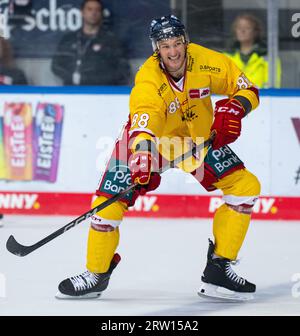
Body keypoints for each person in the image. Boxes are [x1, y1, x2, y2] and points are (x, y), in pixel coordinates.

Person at [56, 15, 261, 301]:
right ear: (156, 48)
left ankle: (218, 270)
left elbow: (248, 88)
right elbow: (144, 120)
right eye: (165, 45)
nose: (173, 51)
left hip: (196, 139)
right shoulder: (148, 77)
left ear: (185, 41)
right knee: (107, 204)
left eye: (177, 43)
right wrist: (142, 156)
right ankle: (95, 274)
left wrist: (236, 108)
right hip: (150, 140)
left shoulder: (207, 61)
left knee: (244, 187)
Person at [51, 0, 130, 86]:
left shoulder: (111, 41)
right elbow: (56, 65)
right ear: (82, 12)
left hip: (103, 93)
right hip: (73, 92)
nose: (93, 13)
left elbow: (123, 70)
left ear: (101, 14)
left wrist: (95, 80)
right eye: (89, 9)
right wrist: (72, 77)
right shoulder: (69, 39)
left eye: (97, 10)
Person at [225, 13, 281, 88]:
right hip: (233, 98)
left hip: (260, 98)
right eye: (239, 28)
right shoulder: (226, 56)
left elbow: (273, 88)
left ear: (255, 32)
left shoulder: (268, 57)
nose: (242, 30)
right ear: (235, 31)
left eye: (247, 28)